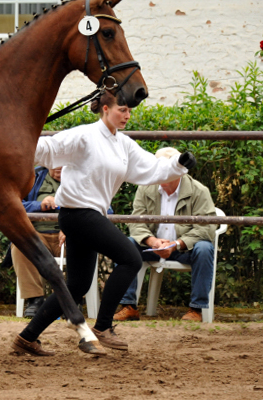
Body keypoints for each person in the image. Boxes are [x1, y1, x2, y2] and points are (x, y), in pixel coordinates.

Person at [11, 91, 197, 356]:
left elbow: (151, 167)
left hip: (89, 215)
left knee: (77, 285)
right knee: (131, 258)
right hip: (78, 214)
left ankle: (27, 337)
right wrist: (21, 135)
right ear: (106, 108)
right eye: (122, 110)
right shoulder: (84, 135)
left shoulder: (123, 144)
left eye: (129, 111)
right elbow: (48, 149)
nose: (127, 115)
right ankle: (103, 327)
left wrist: (178, 164)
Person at [114, 147, 216, 323]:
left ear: (178, 171)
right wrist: (151, 240)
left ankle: (196, 309)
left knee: (205, 248)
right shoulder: (145, 188)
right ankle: (128, 306)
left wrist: (177, 244)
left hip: (185, 248)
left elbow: (206, 227)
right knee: (124, 245)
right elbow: (135, 220)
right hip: (152, 246)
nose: (160, 174)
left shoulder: (199, 190)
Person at [11, 166, 64, 318]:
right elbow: (14, 204)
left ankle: (72, 300)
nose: (59, 167)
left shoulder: (82, 176)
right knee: (21, 245)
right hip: (38, 234)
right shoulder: (32, 177)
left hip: (70, 236)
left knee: (84, 244)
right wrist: (38, 205)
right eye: (55, 162)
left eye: (63, 162)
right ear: (48, 161)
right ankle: (35, 300)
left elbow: (105, 209)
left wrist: (73, 223)